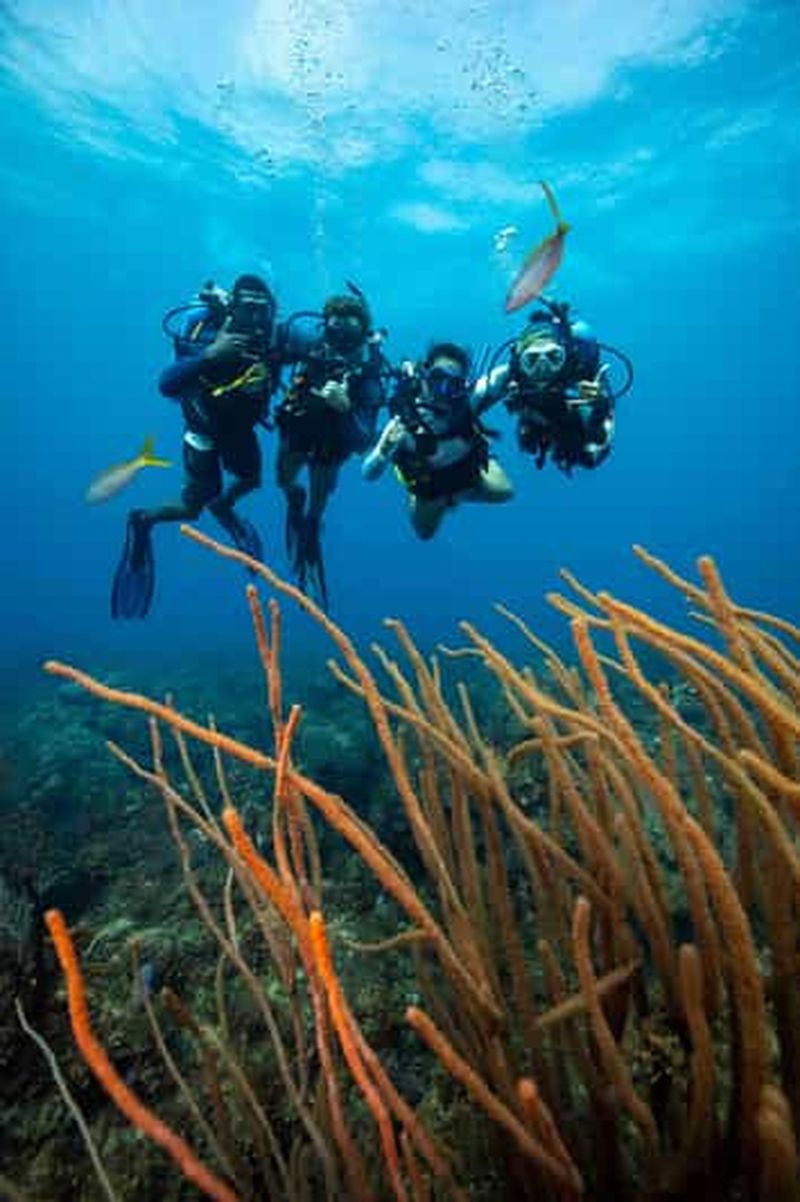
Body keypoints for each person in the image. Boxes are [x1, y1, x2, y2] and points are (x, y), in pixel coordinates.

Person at [111, 274, 281, 620]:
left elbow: (319, 348)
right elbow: (167, 384)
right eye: (247, 307)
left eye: (261, 309)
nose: (254, 316)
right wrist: (211, 355)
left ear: (271, 310)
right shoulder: (207, 334)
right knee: (191, 508)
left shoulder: (274, 338)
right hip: (202, 431)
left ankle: (223, 506)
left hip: (239, 430)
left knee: (251, 479)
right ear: (233, 307)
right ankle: (142, 521)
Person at [274, 290, 388, 608]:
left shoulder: (369, 374)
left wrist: (346, 407)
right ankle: (295, 501)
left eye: (349, 328)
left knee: (318, 500)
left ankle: (310, 531)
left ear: (362, 332)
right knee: (284, 479)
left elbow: (364, 440)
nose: (340, 337)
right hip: (298, 430)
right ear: (325, 326)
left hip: (333, 444)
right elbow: (274, 332)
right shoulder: (311, 343)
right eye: (334, 326)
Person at [363, 341, 513, 540]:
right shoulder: (404, 420)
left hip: (467, 473)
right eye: (437, 379)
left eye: (453, 385)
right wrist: (382, 453)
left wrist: (531, 350)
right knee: (425, 532)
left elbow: (502, 374)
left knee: (504, 491)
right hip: (430, 488)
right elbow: (368, 474)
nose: (442, 390)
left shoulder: (468, 401)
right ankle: (435, 497)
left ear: (462, 387)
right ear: (424, 379)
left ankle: (456, 493)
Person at [473, 298, 619, 474]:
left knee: (582, 455)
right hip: (535, 419)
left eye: (553, 357)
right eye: (532, 360)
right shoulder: (511, 373)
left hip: (571, 421)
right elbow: (475, 396)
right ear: (520, 362)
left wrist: (599, 407)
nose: (543, 368)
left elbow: (598, 449)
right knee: (532, 439)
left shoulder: (579, 375)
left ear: (565, 357)